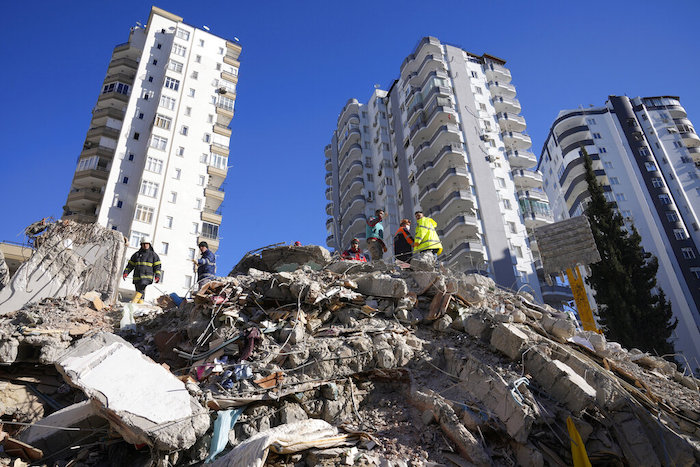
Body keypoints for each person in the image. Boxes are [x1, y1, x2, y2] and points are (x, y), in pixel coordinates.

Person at [123, 237, 161, 302]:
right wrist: (126, 272)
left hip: (147, 277)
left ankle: (133, 303)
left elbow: (157, 267)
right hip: (137, 277)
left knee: (141, 289)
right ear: (141, 245)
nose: (145, 245)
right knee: (140, 291)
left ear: (149, 244)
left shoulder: (153, 255)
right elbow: (130, 265)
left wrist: (157, 276)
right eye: (144, 244)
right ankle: (139, 305)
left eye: (147, 244)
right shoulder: (136, 255)